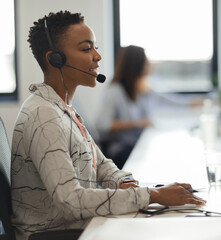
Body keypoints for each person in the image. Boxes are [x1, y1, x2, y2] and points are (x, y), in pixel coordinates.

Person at [11, 11, 206, 240]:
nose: (98, 56)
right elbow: (70, 201)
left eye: (95, 47)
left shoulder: (64, 108)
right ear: (55, 59)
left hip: (78, 225)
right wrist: (151, 195)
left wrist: (128, 184)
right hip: (58, 234)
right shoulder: (45, 116)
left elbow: (102, 165)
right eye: (86, 49)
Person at [95, 45, 201, 169]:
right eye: (146, 62)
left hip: (137, 145)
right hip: (120, 151)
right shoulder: (115, 90)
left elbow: (176, 101)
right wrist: (138, 123)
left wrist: (209, 100)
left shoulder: (143, 89)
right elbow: (102, 125)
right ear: (136, 65)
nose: (150, 65)